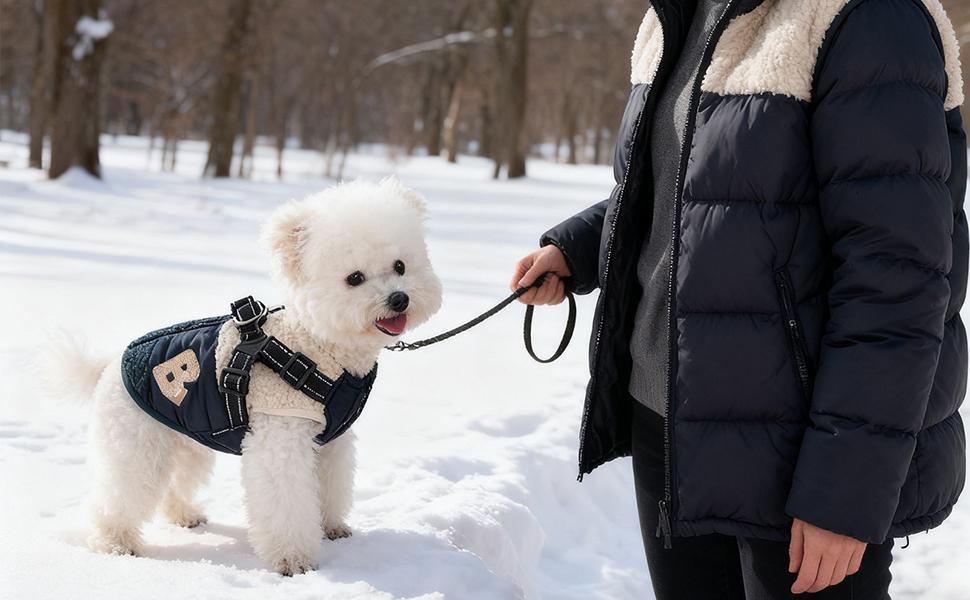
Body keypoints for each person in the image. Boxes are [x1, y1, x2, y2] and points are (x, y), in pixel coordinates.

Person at [511, 0, 967, 598]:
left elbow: (898, 282)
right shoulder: (676, 13)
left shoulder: (869, 17)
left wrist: (845, 491)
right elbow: (688, 188)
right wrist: (579, 248)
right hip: (671, 422)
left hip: (800, 449)